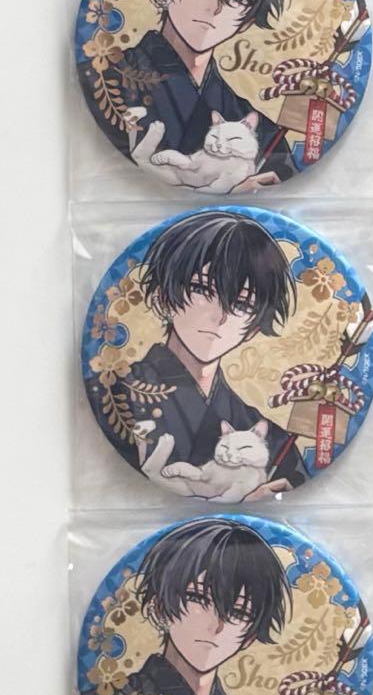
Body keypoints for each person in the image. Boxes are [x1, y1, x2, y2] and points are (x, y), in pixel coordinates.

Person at [81, 518, 304, 695]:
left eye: (238, 612)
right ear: (159, 607)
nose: (217, 625)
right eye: (198, 598)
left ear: (250, 636)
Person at [88, 210, 306, 498]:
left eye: (242, 304)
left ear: (253, 328)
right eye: (202, 290)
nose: (220, 316)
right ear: (163, 298)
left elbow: (291, 478)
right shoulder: (115, 393)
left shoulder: (268, 437)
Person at [79, 0, 296, 186]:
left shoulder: (258, 129)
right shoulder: (102, 79)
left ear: (247, 20)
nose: (215, 6)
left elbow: (281, 173)